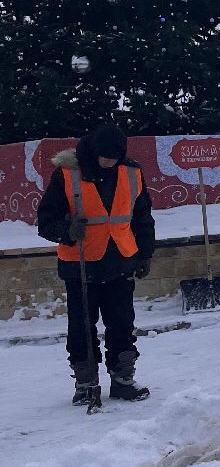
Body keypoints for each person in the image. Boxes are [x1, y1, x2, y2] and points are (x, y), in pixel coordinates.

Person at [36, 124, 155, 405]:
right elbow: (45, 220)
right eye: (104, 157)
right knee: (81, 328)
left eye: (114, 158)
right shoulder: (68, 173)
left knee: (122, 325)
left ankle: (123, 379)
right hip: (81, 266)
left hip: (121, 261)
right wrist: (67, 229)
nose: (109, 163)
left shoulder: (131, 173)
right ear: (93, 152)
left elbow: (142, 217)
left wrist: (145, 253)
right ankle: (85, 383)